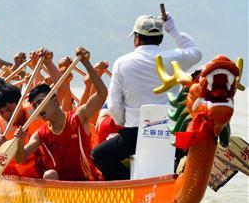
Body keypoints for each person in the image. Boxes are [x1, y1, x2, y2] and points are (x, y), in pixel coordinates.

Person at [91, 12, 202, 180]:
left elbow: (114, 105)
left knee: (98, 155)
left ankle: (129, 182)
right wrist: (172, 28)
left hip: (133, 134)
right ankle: (172, 179)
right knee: (181, 151)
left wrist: (123, 124)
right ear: (160, 39)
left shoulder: (122, 63)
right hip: (170, 134)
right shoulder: (174, 58)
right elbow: (195, 53)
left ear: (137, 38)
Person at [15, 48, 107, 181]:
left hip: (88, 182)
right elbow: (20, 159)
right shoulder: (41, 134)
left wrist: (86, 63)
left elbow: (102, 94)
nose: (38, 108)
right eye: (35, 106)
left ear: (56, 101)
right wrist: (19, 140)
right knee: (49, 175)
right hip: (61, 188)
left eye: (41, 102)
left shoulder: (79, 116)